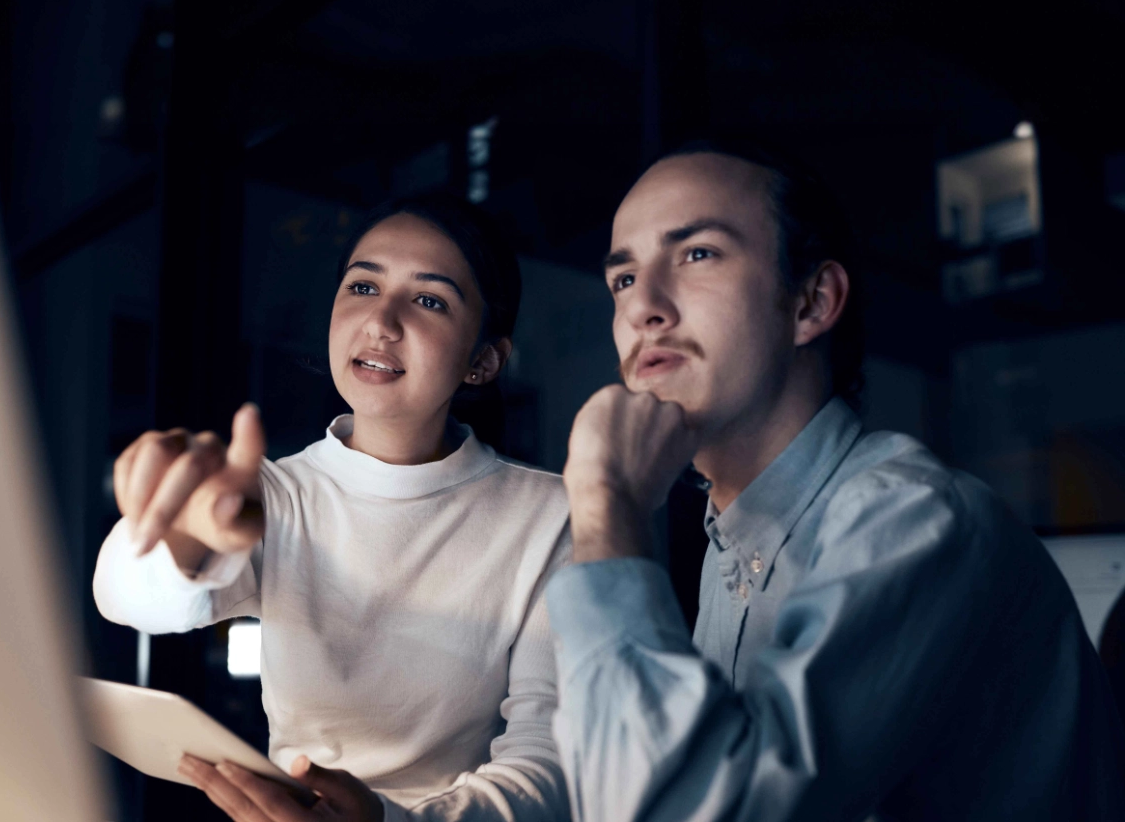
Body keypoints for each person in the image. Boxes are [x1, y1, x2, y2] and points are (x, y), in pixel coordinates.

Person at [549, 139, 1125, 820]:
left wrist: (604, 498)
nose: (644, 306)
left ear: (812, 303)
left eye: (697, 254)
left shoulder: (915, 520)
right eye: (622, 278)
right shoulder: (734, 540)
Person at [96, 193, 571, 821]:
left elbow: (547, 762)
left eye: (429, 300)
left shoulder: (549, 514)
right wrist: (186, 533)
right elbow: (129, 601)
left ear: (482, 361)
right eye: (363, 286)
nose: (381, 322)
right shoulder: (275, 493)